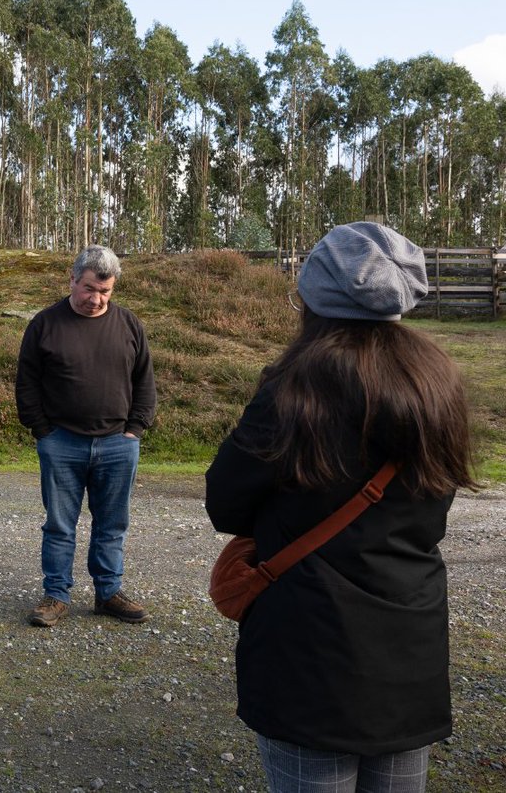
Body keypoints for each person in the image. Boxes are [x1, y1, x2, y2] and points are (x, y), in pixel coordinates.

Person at [205, 222, 478, 793]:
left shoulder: (291, 391)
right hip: (409, 645)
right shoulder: (438, 384)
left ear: (314, 301)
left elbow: (226, 505)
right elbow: (434, 512)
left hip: (307, 648)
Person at [16, 245, 157, 628]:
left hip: (118, 444)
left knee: (112, 524)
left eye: (106, 291)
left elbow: (144, 381)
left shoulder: (129, 325)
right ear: (73, 279)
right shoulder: (45, 324)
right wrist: (42, 431)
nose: (97, 299)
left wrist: (135, 430)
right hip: (61, 443)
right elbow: (26, 383)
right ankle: (56, 596)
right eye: (90, 289)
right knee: (60, 524)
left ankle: (108, 593)